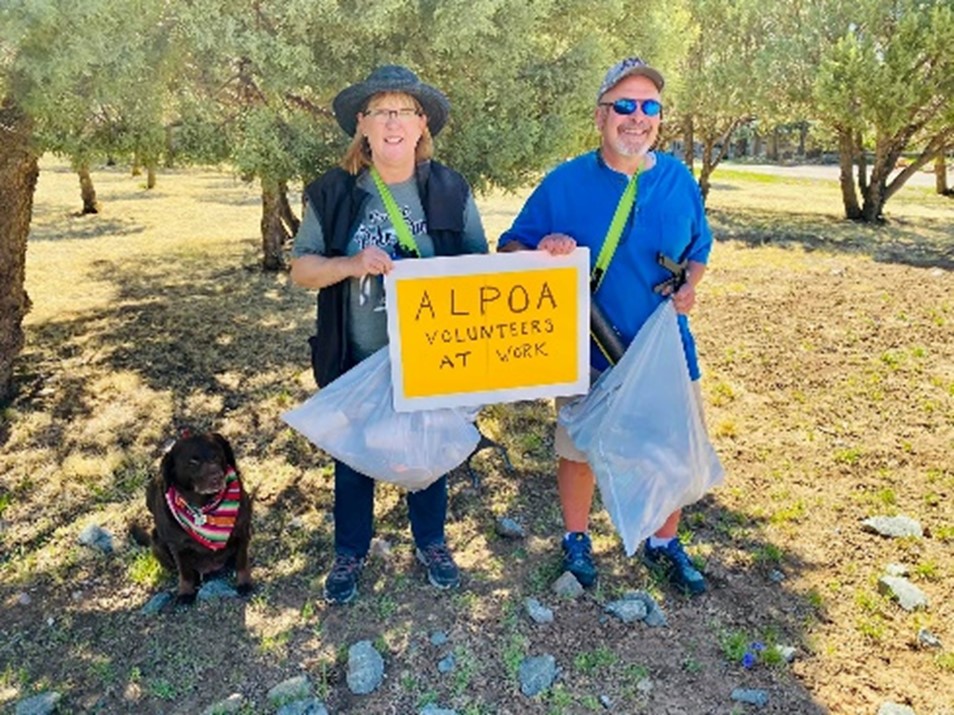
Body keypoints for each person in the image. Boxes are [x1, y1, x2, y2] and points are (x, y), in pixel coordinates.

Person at [498, 57, 713, 595]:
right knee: (578, 449)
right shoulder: (565, 182)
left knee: (668, 447)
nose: (636, 117)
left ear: (659, 118)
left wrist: (691, 286)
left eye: (649, 106)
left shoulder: (679, 180)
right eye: (624, 105)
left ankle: (664, 543)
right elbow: (511, 245)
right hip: (584, 348)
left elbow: (699, 249)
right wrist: (543, 250)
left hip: (662, 348)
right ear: (600, 116)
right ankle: (577, 540)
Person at [289, 65, 488, 605]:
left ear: (422, 125)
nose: (393, 122)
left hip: (432, 357)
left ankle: (432, 542)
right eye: (382, 112)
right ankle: (349, 552)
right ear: (364, 124)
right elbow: (302, 269)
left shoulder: (448, 189)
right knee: (354, 457)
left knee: (427, 449)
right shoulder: (334, 192)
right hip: (357, 352)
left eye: (404, 111)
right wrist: (351, 264)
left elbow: (479, 268)